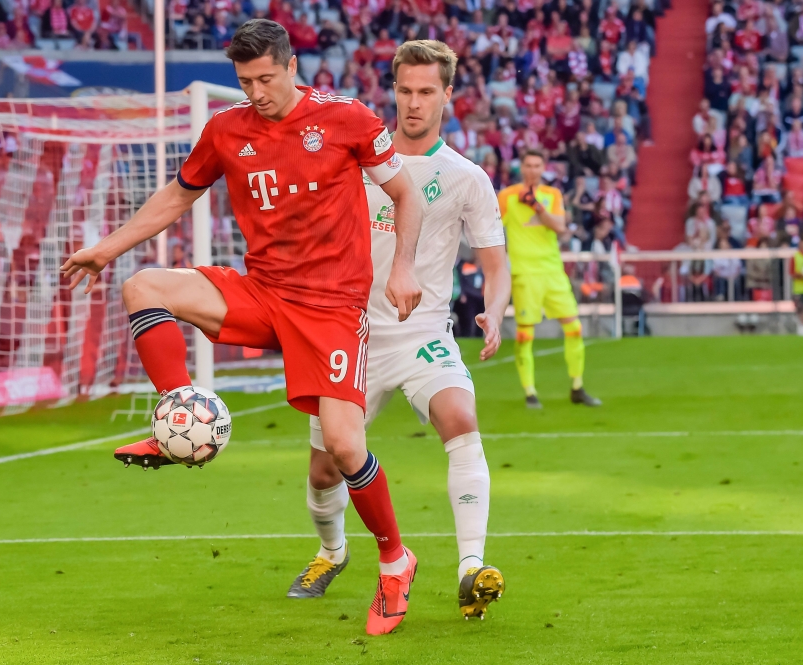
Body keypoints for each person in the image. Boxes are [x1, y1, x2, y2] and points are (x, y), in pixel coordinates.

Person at [59, 20, 424, 636]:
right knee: (142, 286)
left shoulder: (348, 118)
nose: (256, 92)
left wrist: (404, 268)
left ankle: (395, 561)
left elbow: (406, 194)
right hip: (262, 293)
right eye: (245, 81)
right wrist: (106, 248)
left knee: (343, 447)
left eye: (265, 78)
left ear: (290, 66)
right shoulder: (226, 129)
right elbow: (176, 197)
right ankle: (177, 417)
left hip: (331, 309)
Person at [296, 40, 512, 621]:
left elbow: (496, 265)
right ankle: (332, 551)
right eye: (405, 91)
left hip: (423, 333)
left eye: (426, 92)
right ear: (393, 91)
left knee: (461, 419)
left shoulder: (466, 177)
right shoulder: (355, 161)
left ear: (448, 95)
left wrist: (495, 310)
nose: (414, 103)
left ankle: (471, 569)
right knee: (324, 468)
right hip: (350, 336)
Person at [498, 150, 601, 409]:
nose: (533, 170)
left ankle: (577, 386)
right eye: (528, 165)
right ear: (521, 168)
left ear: (544, 168)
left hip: (553, 270)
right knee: (525, 334)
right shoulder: (507, 196)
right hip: (525, 272)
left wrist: (536, 206)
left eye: (537, 165)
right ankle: (530, 392)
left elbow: (559, 226)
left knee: (574, 327)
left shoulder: (552, 195)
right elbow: (491, 226)